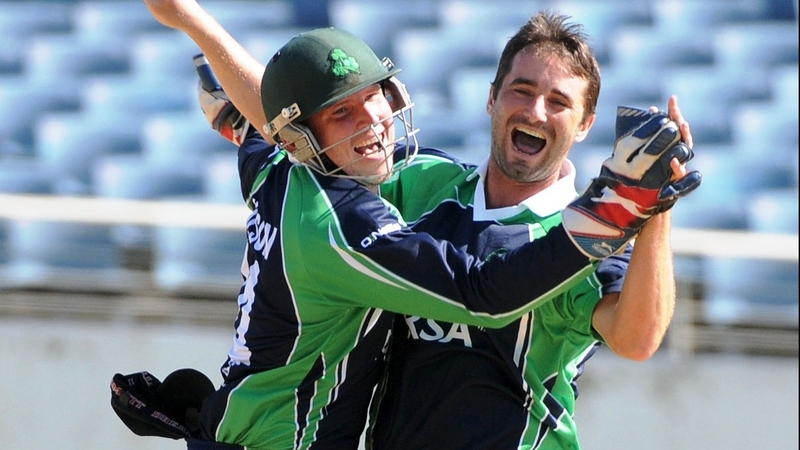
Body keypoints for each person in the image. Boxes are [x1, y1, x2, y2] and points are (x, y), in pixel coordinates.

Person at [136, 2, 700, 449]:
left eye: (559, 102)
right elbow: (319, 140)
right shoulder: (424, 182)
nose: (535, 111)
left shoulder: (575, 240)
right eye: (522, 91)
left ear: (584, 126)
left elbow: (637, 338)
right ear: (491, 100)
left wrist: (654, 212)